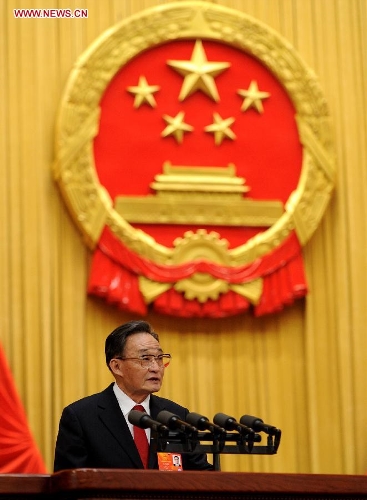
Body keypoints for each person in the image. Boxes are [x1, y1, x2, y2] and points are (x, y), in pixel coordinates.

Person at [54, 320, 212, 471]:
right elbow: (69, 485)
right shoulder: (82, 417)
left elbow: (201, 476)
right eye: (145, 359)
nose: (156, 368)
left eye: (159, 358)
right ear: (117, 366)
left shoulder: (176, 416)